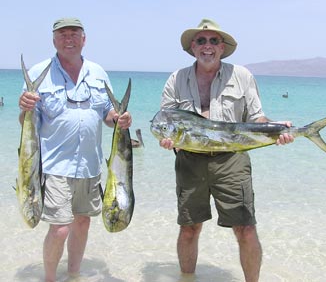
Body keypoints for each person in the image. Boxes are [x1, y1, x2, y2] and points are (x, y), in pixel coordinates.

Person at [159, 19, 294, 282]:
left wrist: (278, 129)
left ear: (222, 47)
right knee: (189, 228)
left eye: (213, 41)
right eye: (201, 40)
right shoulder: (177, 79)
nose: (207, 46)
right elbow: (166, 122)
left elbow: (257, 120)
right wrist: (166, 140)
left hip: (232, 160)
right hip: (189, 161)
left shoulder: (241, 76)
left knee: (245, 228)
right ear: (192, 47)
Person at [18, 18, 132, 282]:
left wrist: (119, 119)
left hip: (90, 164)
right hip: (55, 164)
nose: (68, 39)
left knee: (82, 222)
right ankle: (49, 278)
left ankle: (73, 275)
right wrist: (24, 107)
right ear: (54, 40)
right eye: (62, 34)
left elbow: (107, 113)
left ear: (84, 39)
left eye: (74, 34)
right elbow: (25, 122)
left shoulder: (98, 73)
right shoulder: (39, 72)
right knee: (59, 228)